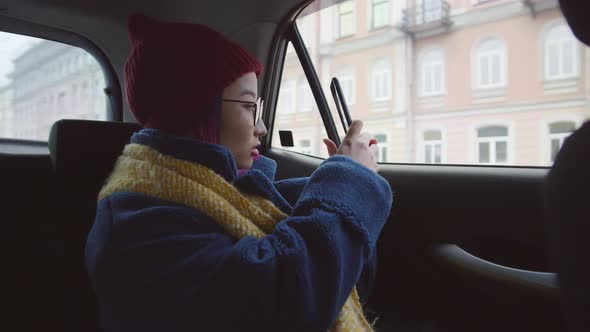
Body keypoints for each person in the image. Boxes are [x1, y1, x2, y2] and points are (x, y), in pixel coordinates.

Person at [85, 14, 393, 332]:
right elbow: (288, 305)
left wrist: (346, 181)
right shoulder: (136, 225)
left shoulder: (225, 192)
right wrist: (348, 180)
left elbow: (340, 284)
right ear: (197, 109)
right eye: (248, 107)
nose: (261, 127)